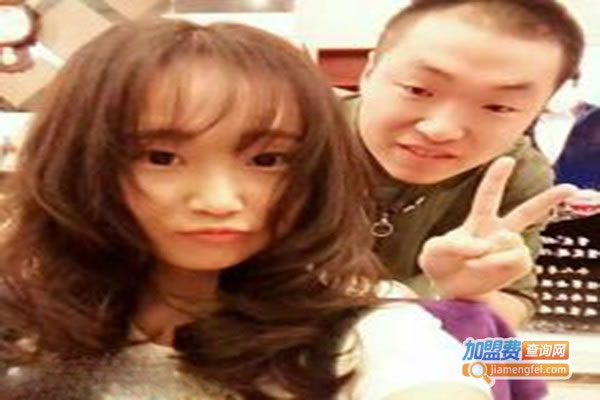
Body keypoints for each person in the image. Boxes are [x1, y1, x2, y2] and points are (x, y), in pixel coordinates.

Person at [0, 19, 491, 400]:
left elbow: (466, 366)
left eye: (267, 160)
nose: (219, 201)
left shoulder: (365, 326)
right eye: (160, 158)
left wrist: (469, 306)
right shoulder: (27, 312)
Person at [341, 0, 583, 328]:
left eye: (498, 107)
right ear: (369, 72)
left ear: (540, 109)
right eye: (417, 89)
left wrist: (471, 294)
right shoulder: (291, 127)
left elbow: (512, 311)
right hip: (282, 336)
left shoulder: (515, 173)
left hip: (401, 341)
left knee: (524, 358)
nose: (440, 130)